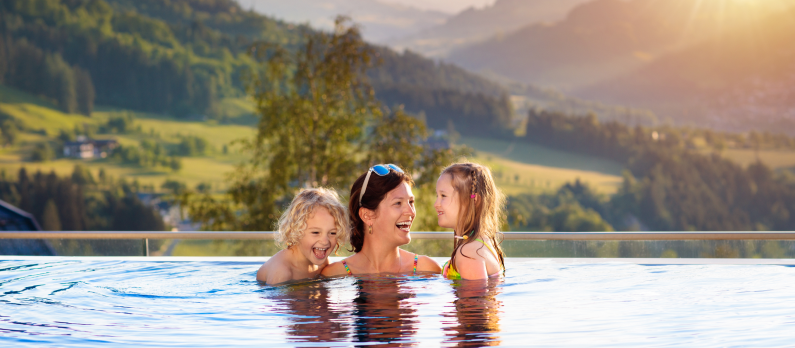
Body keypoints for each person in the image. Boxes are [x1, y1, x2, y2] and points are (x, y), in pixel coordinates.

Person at [322, 164, 441, 276]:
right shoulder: (335, 273)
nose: (411, 212)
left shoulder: (427, 269)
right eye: (398, 203)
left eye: (411, 202)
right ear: (367, 215)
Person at [256, 188, 349, 285]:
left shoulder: (324, 264)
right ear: (296, 230)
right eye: (316, 232)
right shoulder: (282, 272)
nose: (325, 241)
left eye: (332, 233)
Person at [436, 162, 506, 280]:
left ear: (473, 201)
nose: (436, 204)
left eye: (443, 196)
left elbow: (474, 298)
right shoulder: (481, 242)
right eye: (437, 196)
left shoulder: (468, 253)